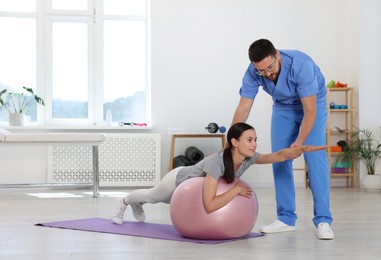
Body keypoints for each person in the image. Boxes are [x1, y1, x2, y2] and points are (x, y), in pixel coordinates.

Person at [111, 122, 326, 226]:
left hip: (192, 193)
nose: (254, 144)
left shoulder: (248, 157)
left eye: (255, 140)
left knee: (156, 200)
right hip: (178, 182)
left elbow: (276, 156)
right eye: (249, 140)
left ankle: (134, 202)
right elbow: (210, 205)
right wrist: (236, 190)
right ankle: (124, 202)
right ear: (234, 142)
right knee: (152, 197)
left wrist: (300, 149)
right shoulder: (216, 163)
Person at [230, 39, 334, 240]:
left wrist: (299, 142)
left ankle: (323, 220)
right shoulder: (253, 72)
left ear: (277, 55)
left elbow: (310, 110)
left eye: (270, 67)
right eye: (262, 71)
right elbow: (243, 108)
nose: (268, 73)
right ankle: (286, 219)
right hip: (283, 107)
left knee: (315, 159)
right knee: (280, 158)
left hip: (314, 105)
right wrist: (231, 142)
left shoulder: (300, 64)